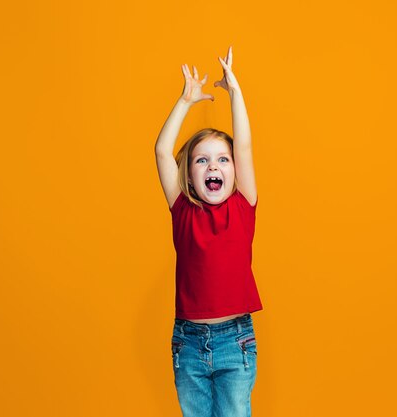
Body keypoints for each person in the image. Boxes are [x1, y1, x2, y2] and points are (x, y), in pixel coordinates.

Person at [154, 46, 263, 417]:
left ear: (234, 171)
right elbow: (161, 151)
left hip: (236, 341)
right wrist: (185, 101)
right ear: (189, 174)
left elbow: (244, 146)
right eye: (202, 160)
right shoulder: (181, 209)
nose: (212, 166)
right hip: (187, 344)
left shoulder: (242, 206)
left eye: (222, 160)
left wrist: (235, 92)